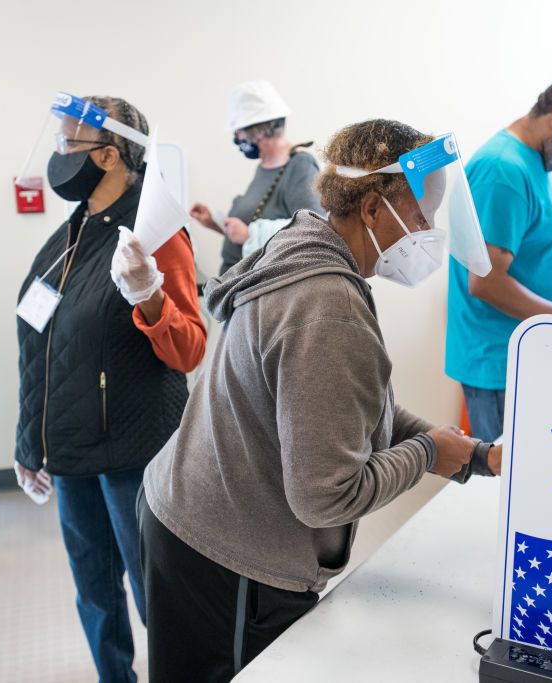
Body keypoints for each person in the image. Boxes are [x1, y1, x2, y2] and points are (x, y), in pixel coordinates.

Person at [139, 119, 502, 682]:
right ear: (374, 210)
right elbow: (325, 498)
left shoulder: (304, 242)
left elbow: (345, 413)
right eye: (422, 215)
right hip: (227, 551)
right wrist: (429, 453)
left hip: (188, 507)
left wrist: (471, 453)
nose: (429, 232)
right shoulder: (327, 307)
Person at [13, 95, 206, 683]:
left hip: (132, 453)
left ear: (109, 154)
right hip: (72, 453)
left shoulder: (153, 233)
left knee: (156, 599)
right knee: (95, 594)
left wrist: (148, 293)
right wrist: (30, 442)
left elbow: (189, 348)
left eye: (67, 144)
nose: (57, 157)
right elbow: (42, 344)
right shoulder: (72, 234)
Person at [446, 73, 552, 442]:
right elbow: (486, 282)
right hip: (500, 364)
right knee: (508, 483)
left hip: (523, 356)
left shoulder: (531, 162)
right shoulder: (503, 170)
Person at [189, 79, 323, 273]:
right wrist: (213, 223)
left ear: (258, 130)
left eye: (239, 132)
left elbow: (314, 229)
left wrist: (252, 235)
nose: (237, 139)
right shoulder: (264, 166)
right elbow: (249, 234)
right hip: (237, 288)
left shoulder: (300, 165)